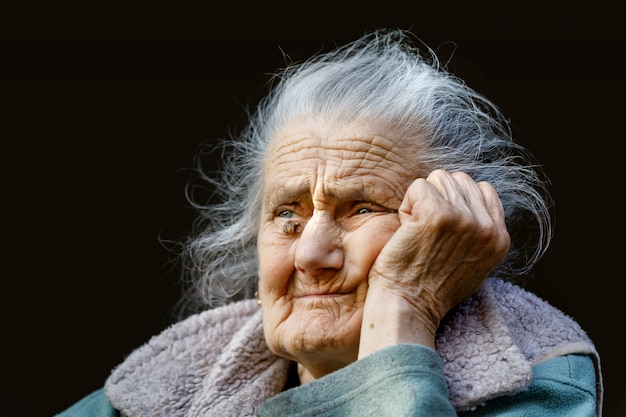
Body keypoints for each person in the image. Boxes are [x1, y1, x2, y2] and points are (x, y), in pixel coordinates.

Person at [56, 29, 603, 416]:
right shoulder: (163, 387)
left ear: (454, 228)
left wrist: (403, 310)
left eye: (362, 208)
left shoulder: (536, 380)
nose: (312, 254)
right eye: (286, 215)